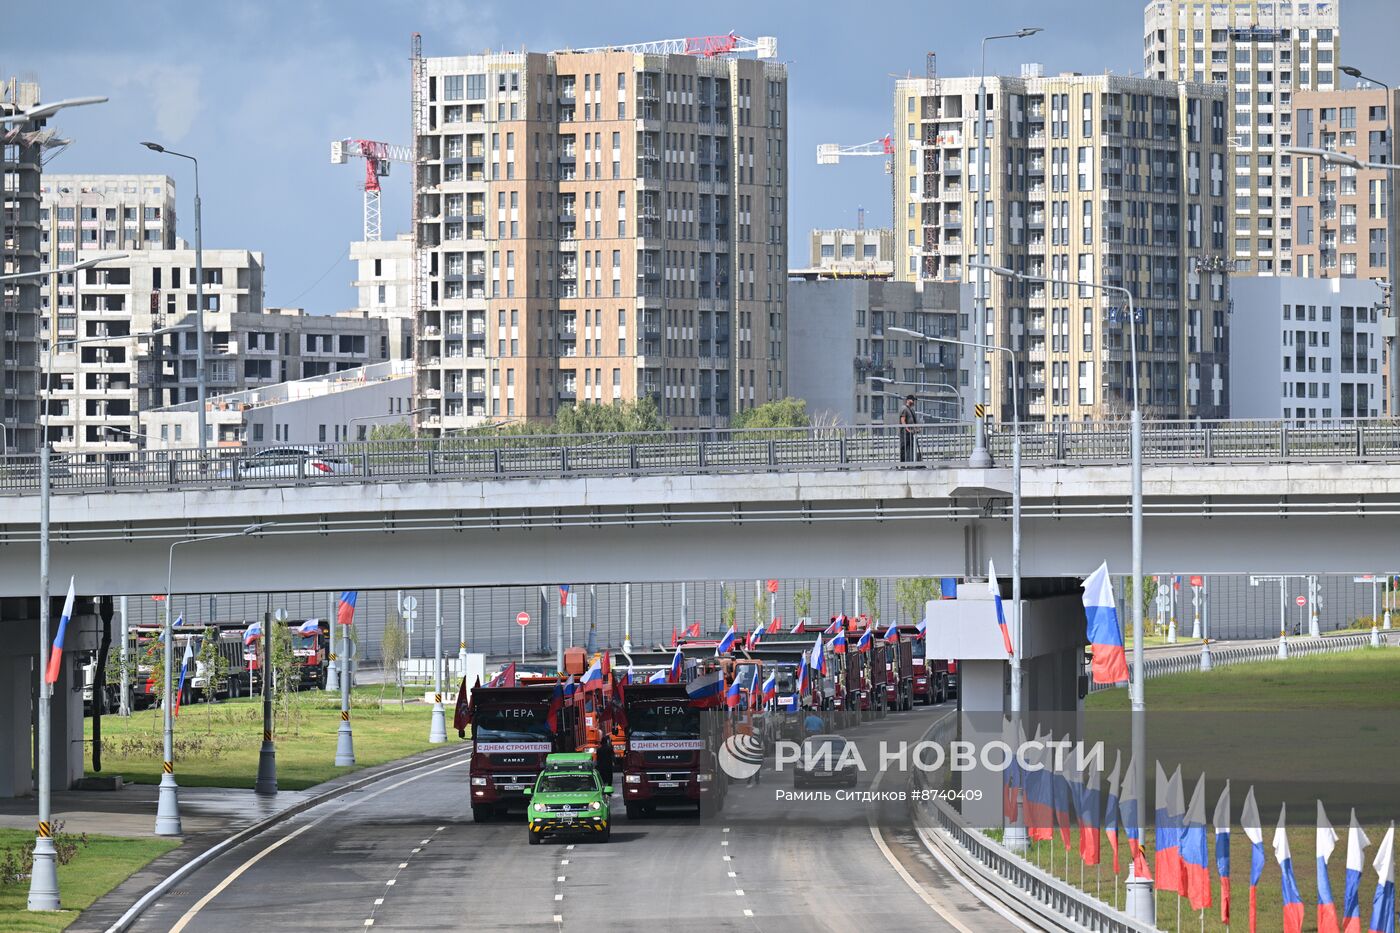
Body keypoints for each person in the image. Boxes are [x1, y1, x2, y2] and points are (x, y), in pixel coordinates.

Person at [898, 394, 920, 464]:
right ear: (908, 400)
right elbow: (903, 420)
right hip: (905, 433)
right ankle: (903, 464)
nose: (913, 402)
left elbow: (913, 421)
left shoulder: (912, 410)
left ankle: (910, 463)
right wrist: (907, 429)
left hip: (911, 433)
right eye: (912, 400)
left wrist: (917, 429)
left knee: (911, 449)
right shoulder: (904, 408)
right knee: (904, 448)